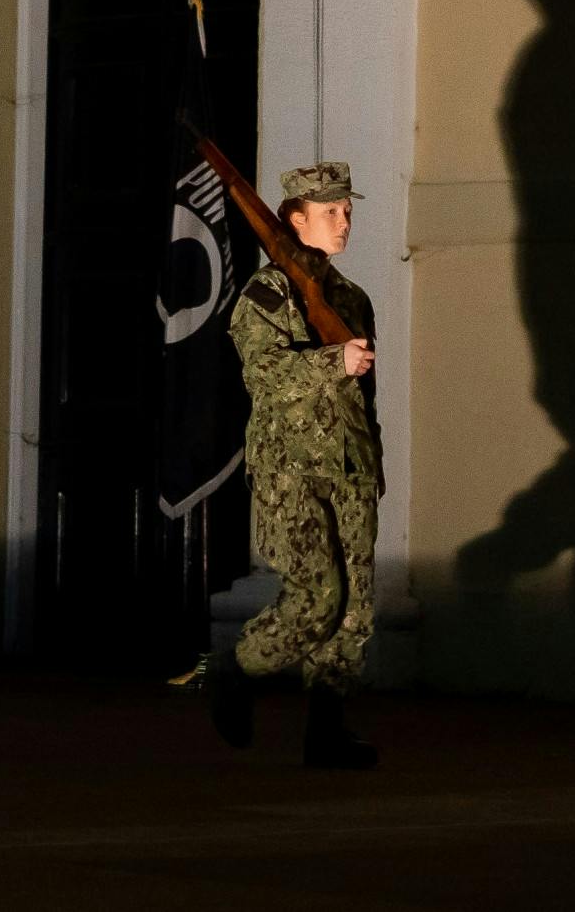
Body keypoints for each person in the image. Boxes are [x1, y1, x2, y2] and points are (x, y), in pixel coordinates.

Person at [206, 161, 382, 769]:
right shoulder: (266, 294)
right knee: (317, 598)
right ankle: (237, 668)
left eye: (347, 210)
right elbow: (265, 375)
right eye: (330, 212)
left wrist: (372, 463)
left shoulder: (351, 298)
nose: (344, 220)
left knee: (354, 610)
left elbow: (365, 397)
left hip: (349, 468)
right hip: (292, 469)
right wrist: (334, 361)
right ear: (294, 219)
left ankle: (326, 732)